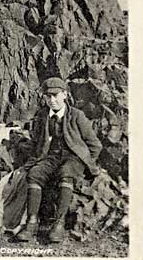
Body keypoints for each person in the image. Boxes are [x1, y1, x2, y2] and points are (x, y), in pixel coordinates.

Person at [16, 77, 102, 243]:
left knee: (67, 172)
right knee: (35, 173)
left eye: (55, 95)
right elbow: (36, 142)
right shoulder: (42, 115)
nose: (52, 100)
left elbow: (95, 145)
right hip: (50, 156)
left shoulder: (77, 116)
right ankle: (32, 223)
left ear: (65, 94)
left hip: (73, 157)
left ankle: (58, 224)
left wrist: (87, 162)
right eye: (48, 96)